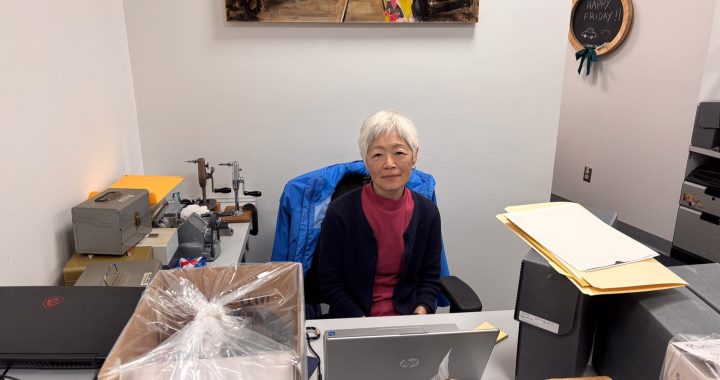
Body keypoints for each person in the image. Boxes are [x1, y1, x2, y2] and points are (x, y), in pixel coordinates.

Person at [317, 110, 442, 318]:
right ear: (365, 161)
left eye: (399, 153)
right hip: (354, 321)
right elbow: (330, 282)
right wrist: (363, 323)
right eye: (377, 154)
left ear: (415, 156)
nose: (389, 164)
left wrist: (420, 313)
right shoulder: (340, 212)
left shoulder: (427, 213)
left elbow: (430, 279)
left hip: (408, 321)